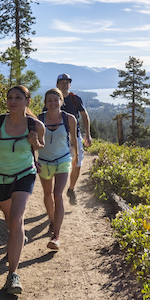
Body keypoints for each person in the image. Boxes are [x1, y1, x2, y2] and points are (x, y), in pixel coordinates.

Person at [0, 85, 44, 295]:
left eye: (18, 97)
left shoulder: (35, 125)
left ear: (27, 101)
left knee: (17, 219)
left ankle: (12, 275)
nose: (13, 101)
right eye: (10, 97)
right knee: (9, 219)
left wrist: (35, 143)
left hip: (24, 174)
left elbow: (40, 145)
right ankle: (17, 237)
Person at [36, 88, 78, 251]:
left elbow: (73, 141)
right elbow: (32, 142)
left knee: (57, 194)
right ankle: (52, 221)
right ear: (45, 103)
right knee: (47, 194)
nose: (53, 103)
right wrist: (33, 159)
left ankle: (56, 236)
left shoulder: (69, 119)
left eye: (56, 100)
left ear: (61, 101)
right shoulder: (39, 120)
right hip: (44, 161)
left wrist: (74, 158)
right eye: (49, 101)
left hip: (62, 160)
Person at [56, 73, 91, 203]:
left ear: (70, 84)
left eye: (67, 82)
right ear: (57, 85)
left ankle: (71, 189)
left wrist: (87, 134)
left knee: (77, 164)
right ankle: (58, 192)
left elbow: (84, 115)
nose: (65, 85)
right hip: (58, 137)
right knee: (59, 165)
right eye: (62, 82)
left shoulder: (75, 99)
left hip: (74, 136)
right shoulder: (53, 99)